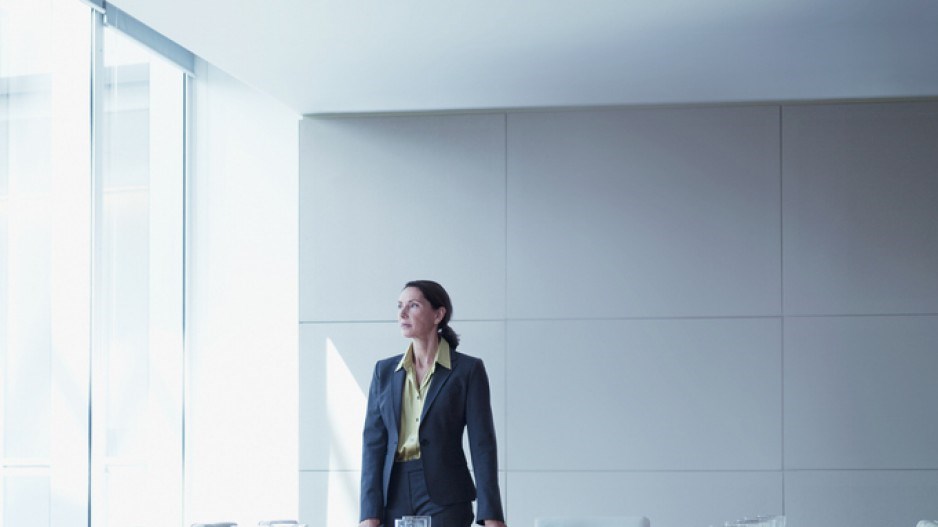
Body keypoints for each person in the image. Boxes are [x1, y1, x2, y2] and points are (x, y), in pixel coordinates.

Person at [359, 280, 507, 527]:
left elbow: (483, 445)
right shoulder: (383, 372)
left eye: (413, 305)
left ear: (438, 314)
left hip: (446, 493)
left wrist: (491, 514)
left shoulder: (467, 370)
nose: (402, 313)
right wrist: (368, 513)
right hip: (393, 493)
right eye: (399, 306)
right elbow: (373, 445)